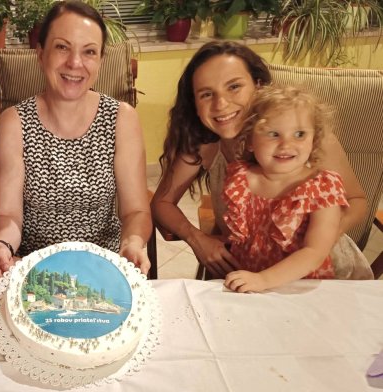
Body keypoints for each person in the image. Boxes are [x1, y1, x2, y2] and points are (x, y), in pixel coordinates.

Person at [150, 41, 368, 279]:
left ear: (259, 85)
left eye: (234, 86)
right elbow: (162, 202)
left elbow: (357, 201)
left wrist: (320, 241)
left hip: (323, 274)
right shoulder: (206, 144)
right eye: (207, 94)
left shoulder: (306, 140)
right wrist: (197, 238)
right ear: (195, 104)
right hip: (247, 269)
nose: (221, 104)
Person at [0, 1, 151, 279]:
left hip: (104, 269)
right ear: (41, 53)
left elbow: (135, 210)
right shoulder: (13, 122)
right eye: (62, 47)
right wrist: (3, 244)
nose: (75, 63)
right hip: (37, 272)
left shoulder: (122, 118)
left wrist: (133, 242)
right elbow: (8, 214)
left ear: (100, 60)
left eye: (89, 51)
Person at [222, 85, 373, 292]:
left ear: (314, 141)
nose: (286, 144)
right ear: (250, 141)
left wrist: (263, 280)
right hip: (247, 280)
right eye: (273, 134)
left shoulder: (321, 188)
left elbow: (315, 252)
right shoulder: (240, 178)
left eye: (300, 134)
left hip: (298, 285)